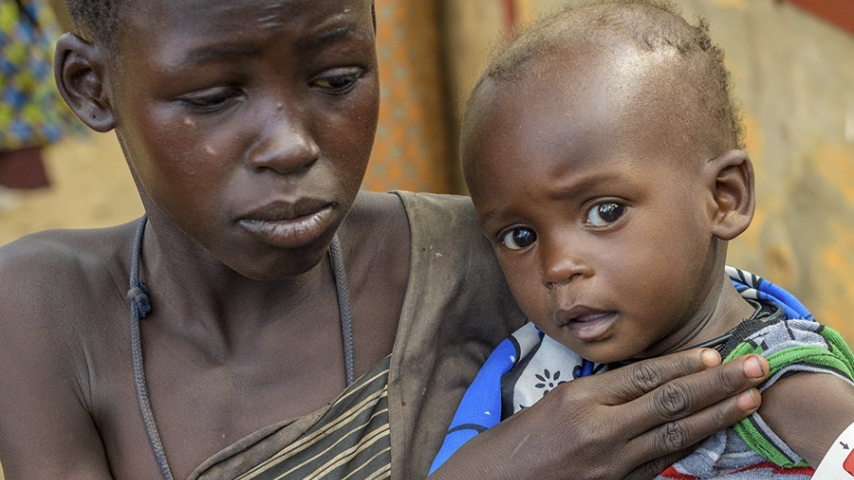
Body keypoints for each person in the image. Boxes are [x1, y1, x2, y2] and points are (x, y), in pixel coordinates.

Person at [0, 0, 775, 478]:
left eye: (338, 79)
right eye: (213, 96)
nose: (290, 144)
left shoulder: (504, 262)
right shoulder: (43, 314)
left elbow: (756, 376)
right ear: (89, 86)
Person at [429, 0, 854, 478]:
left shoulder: (788, 390)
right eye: (519, 235)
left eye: (604, 212)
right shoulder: (528, 380)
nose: (556, 266)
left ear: (724, 198)